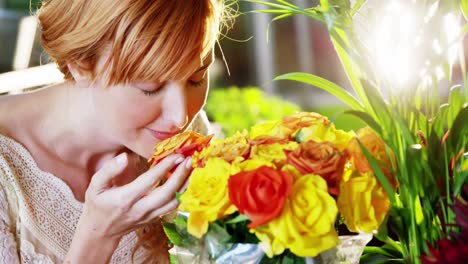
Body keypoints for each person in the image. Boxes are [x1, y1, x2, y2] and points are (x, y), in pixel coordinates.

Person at [0, 0, 228, 263]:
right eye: (150, 87)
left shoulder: (178, 132)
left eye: (196, 79)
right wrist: (99, 238)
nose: (181, 117)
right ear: (80, 64)